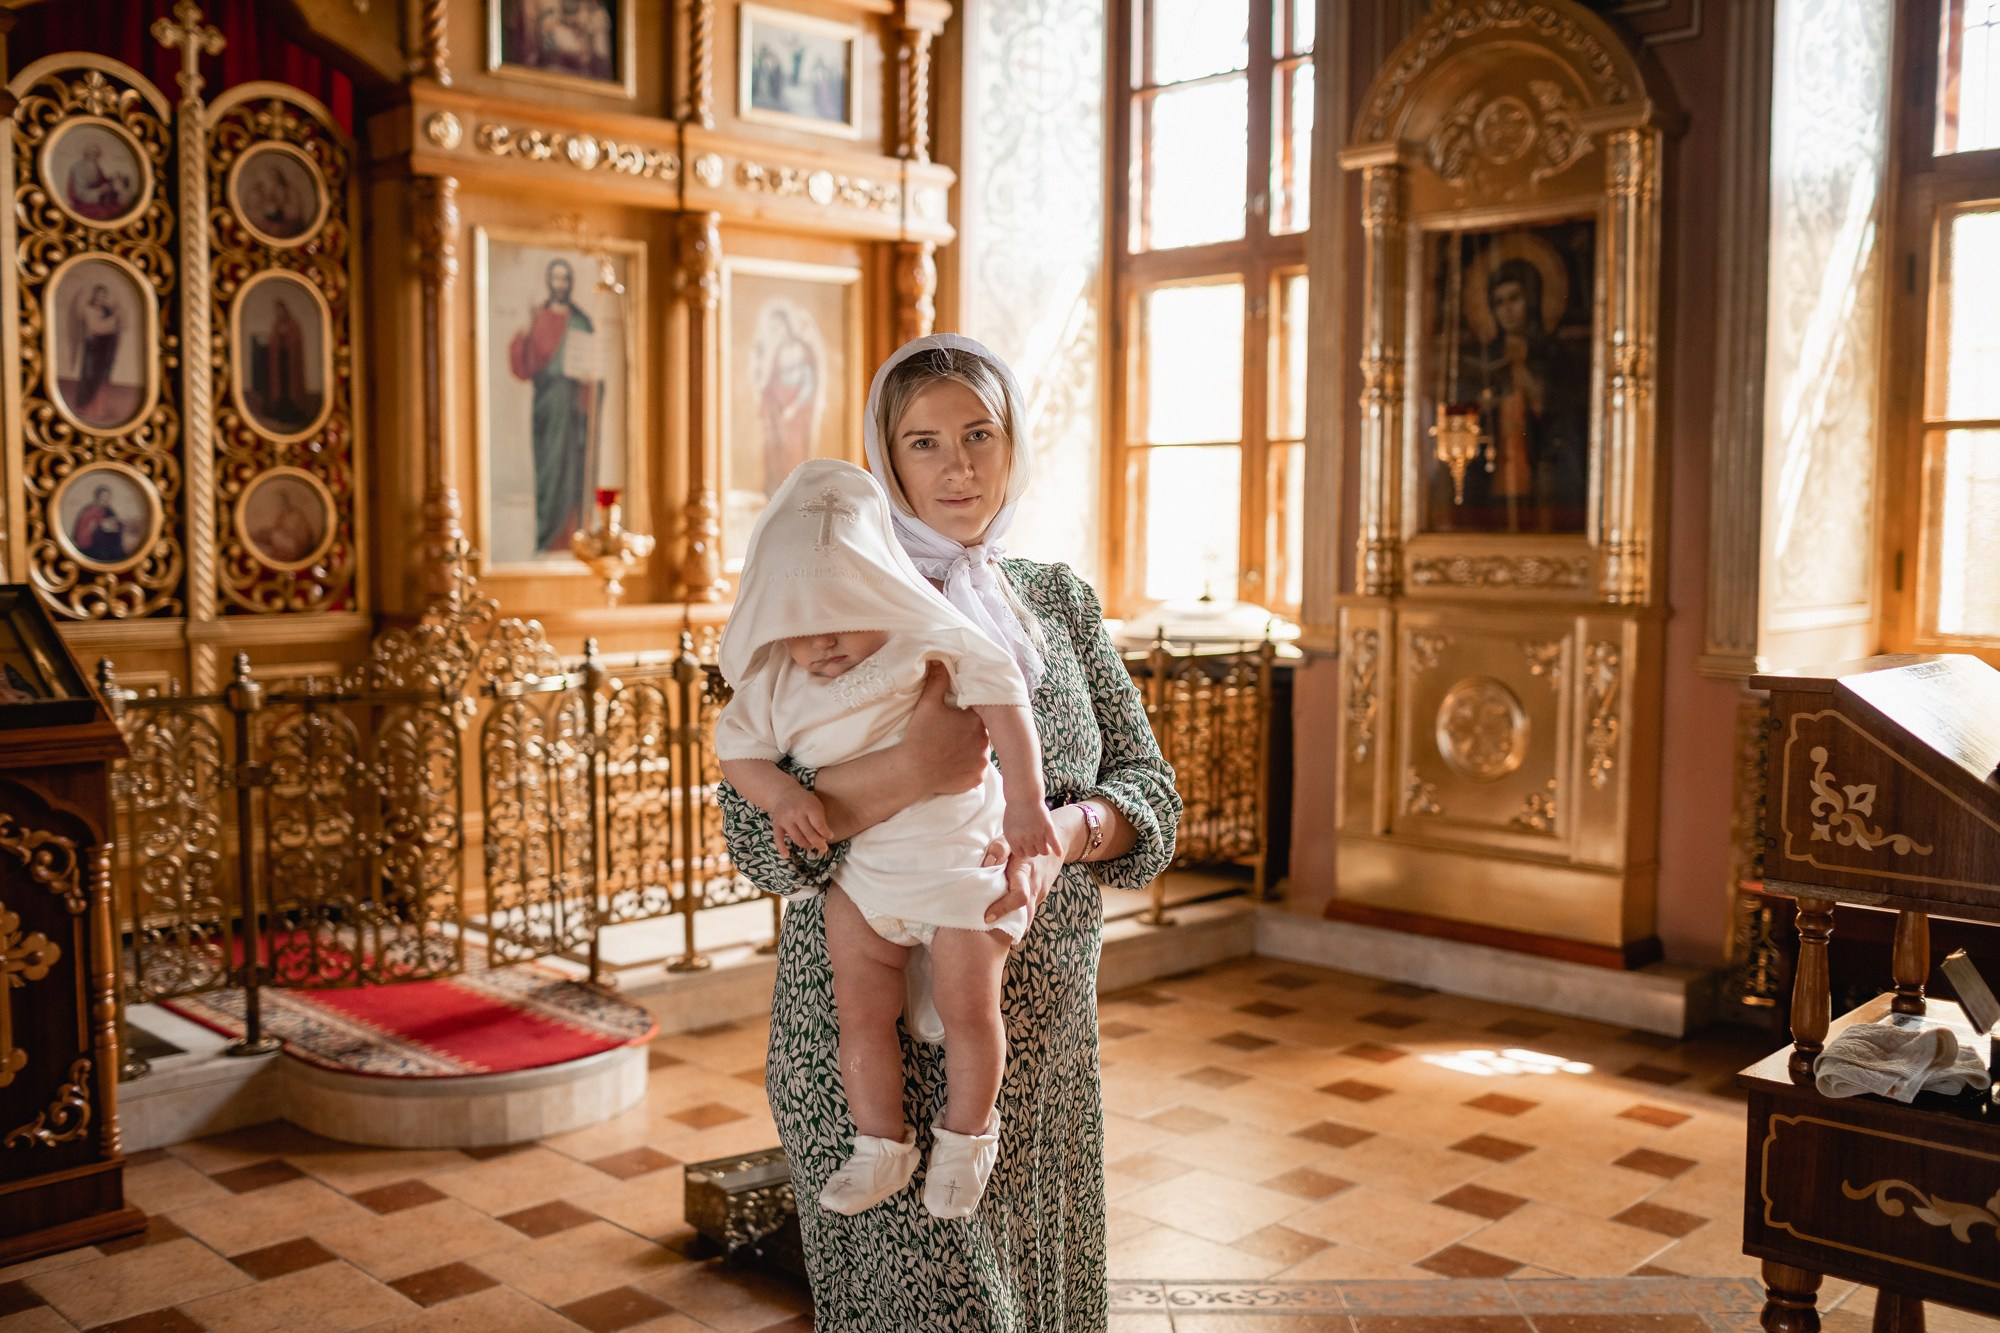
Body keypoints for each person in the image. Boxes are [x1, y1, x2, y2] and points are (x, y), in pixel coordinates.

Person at [718, 333, 1181, 1328]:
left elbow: (1150, 793)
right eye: (922, 443)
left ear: (1013, 445)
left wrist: (1065, 827)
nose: (957, 466)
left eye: (978, 434)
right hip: (866, 1054)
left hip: (1036, 1051)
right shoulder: (825, 597)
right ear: (885, 459)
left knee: (1036, 1303)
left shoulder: (1057, 602)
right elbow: (757, 842)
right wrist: (909, 771)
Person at [715, 458, 1061, 1220]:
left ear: (879, 585)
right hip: (864, 884)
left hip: (962, 870)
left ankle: (968, 1135)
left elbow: (1003, 688)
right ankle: (881, 1143)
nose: (822, 642)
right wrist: (780, 793)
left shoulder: (922, 642)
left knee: (972, 1011)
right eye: (798, 625)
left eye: (841, 611)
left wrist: (1029, 805)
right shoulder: (776, 682)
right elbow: (735, 749)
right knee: (860, 1013)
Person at [508, 258, 600, 553]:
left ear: (570, 283)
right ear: (550, 281)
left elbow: (594, 371)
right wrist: (524, 329)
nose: (560, 284)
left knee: (571, 475)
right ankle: (546, 536)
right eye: (556, 279)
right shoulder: (539, 318)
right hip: (547, 408)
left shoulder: (581, 321)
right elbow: (524, 365)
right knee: (548, 474)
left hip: (573, 413)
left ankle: (572, 537)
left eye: (565, 279)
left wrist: (589, 382)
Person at [68, 282, 124, 425]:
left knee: (102, 379)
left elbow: (117, 327)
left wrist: (115, 319)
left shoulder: (106, 310)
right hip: (93, 349)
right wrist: (113, 320)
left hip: (104, 350)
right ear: (94, 296)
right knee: (91, 376)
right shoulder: (88, 310)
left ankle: (100, 410)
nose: (101, 299)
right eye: (99, 296)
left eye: (103, 296)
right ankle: (86, 408)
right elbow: (97, 327)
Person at [70, 483, 127, 563]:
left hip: (107, 546)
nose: (106, 499)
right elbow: (83, 533)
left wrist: (116, 524)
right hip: (92, 547)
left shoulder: (108, 510)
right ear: (97, 497)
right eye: (103, 497)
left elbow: (116, 522)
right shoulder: (89, 511)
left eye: (108, 497)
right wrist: (100, 526)